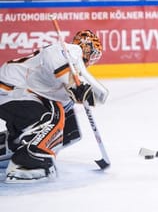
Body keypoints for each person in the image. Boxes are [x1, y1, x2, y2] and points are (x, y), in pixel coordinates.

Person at [0, 30, 108, 183]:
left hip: (17, 92)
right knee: (50, 117)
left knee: (55, 113)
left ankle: (13, 146)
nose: (92, 58)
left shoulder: (72, 68)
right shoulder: (71, 50)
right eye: (93, 53)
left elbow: (86, 98)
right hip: (11, 88)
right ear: (87, 48)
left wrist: (68, 133)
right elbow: (51, 55)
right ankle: (28, 163)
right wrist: (73, 86)